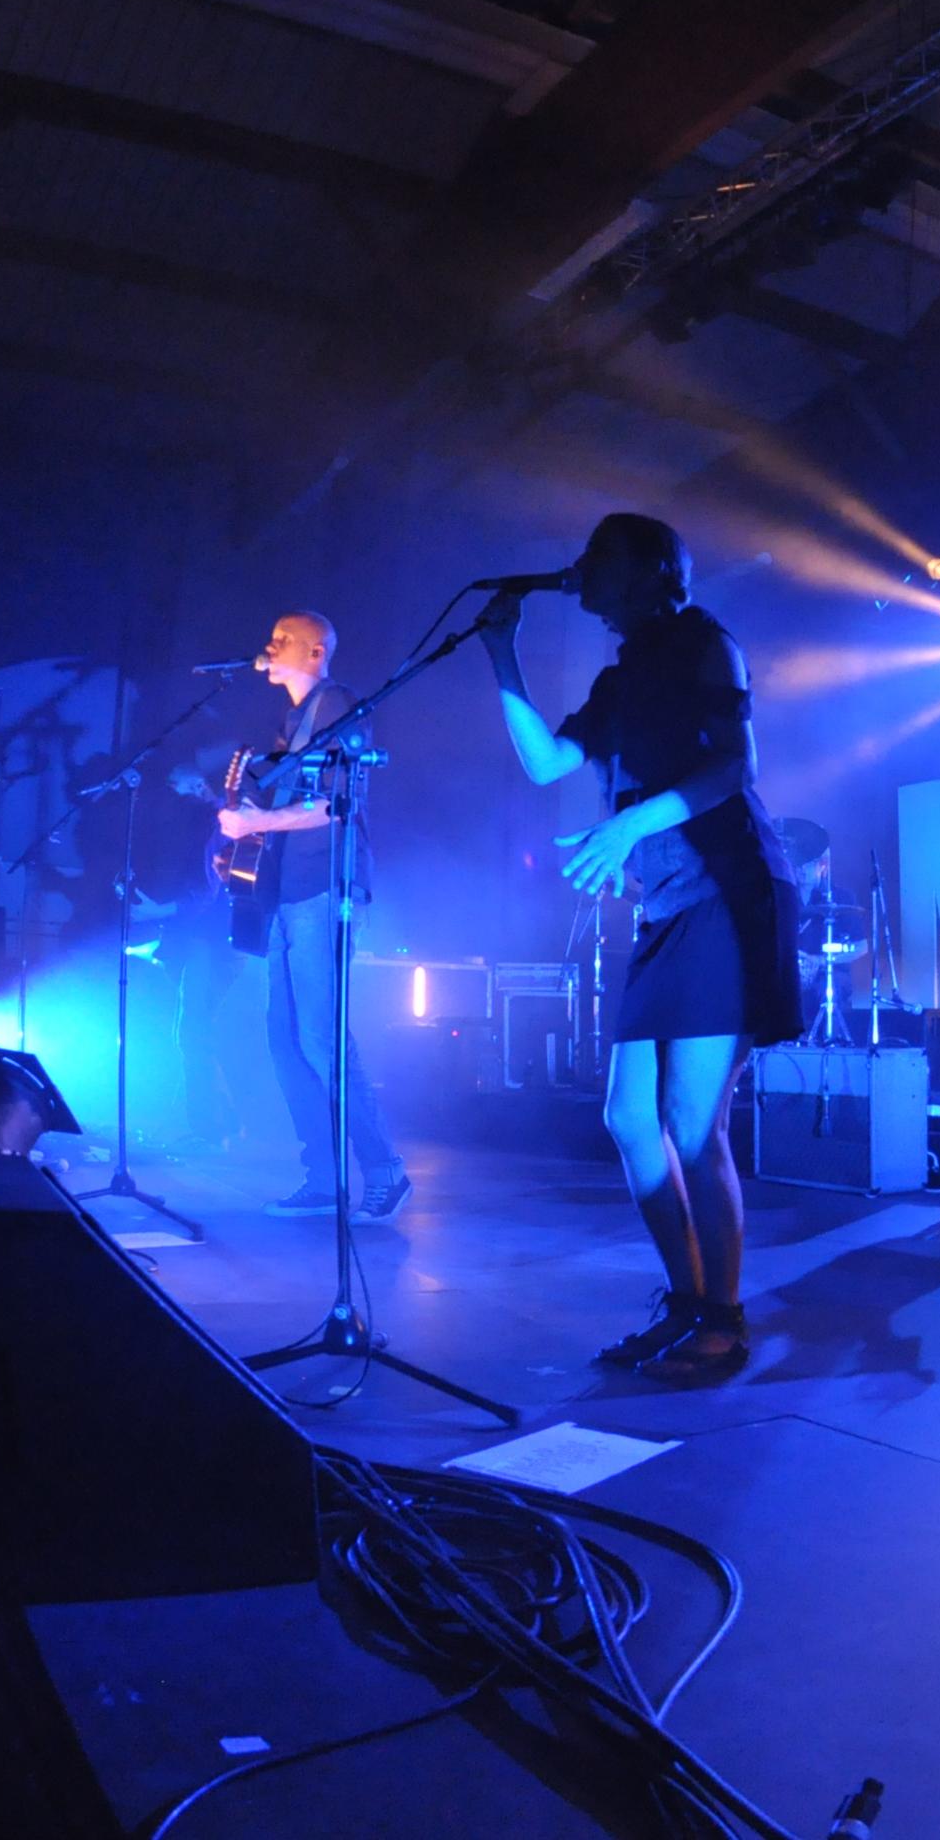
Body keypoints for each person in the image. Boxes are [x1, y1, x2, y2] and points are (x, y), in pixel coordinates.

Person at [479, 514, 800, 1383]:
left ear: (653, 569)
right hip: (669, 904)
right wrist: (502, 655)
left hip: (728, 893)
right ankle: (688, 1303)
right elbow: (548, 763)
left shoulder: (706, 641)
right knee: (629, 1118)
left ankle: (724, 1322)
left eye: (600, 555)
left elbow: (734, 767)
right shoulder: (619, 678)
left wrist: (625, 827)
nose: (581, 567)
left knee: (693, 1126)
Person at [215, 611, 412, 1221]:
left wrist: (258, 821)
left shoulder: (337, 707)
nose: (269, 646)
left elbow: (332, 805)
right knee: (285, 1040)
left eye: (283, 640)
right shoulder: (292, 722)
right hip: (284, 893)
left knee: (322, 1040)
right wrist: (247, 839)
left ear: (316, 652)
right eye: (271, 636)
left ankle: (385, 1169)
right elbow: (288, 806)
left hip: (322, 889)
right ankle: (324, 1178)